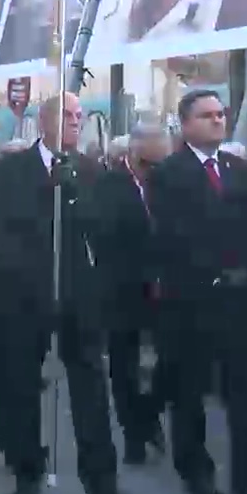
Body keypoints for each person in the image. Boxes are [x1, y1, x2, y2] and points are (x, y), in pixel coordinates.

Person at [0, 92, 130, 494]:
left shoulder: (89, 171)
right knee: (22, 383)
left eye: (79, 116)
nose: (74, 121)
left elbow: (103, 228)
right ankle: (28, 471)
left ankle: (102, 483)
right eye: (66, 114)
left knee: (90, 387)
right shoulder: (12, 169)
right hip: (27, 290)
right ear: (43, 121)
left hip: (76, 292)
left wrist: (75, 195)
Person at [149, 89, 247, 494]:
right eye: (206, 115)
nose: (217, 121)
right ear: (186, 124)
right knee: (189, 389)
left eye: (221, 114)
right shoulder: (169, 172)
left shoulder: (238, 169)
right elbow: (173, 234)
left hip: (241, 299)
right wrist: (214, 272)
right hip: (192, 300)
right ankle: (195, 469)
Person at [95, 122, 169, 465]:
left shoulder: (165, 182)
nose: (153, 171)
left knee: (173, 360)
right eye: (147, 164)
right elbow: (108, 239)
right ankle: (133, 434)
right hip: (123, 288)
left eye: (159, 164)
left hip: (163, 287)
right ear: (132, 156)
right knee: (124, 366)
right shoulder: (110, 185)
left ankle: (147, 412)